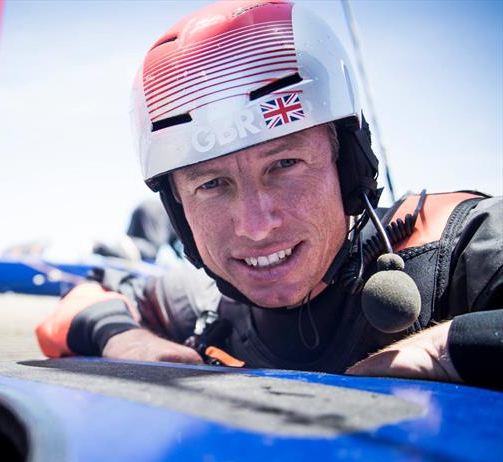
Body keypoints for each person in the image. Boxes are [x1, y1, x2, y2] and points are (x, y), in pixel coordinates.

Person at [36, 0, 502, 388]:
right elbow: (78, 302)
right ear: (178, 210)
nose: (256, 225)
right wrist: (121, 337)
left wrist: (450, 346)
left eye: (284, 165)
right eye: (212, 184)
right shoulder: (207, 300)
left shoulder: (462, 246)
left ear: (349, 165)